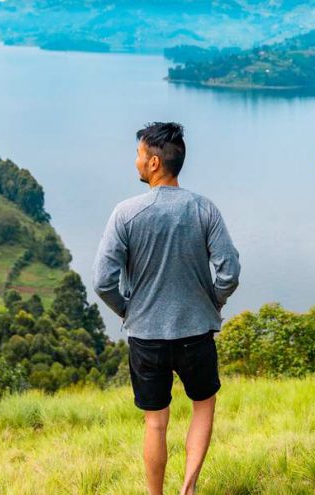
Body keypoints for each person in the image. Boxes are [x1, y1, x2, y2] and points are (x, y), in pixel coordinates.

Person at [93, 122, 240, 495]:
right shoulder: (204, 209)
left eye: (141, 154)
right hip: (196, 333)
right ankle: (188, 488)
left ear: (155, 162)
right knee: (203, 407)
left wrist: (128, 310)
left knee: (155, 423)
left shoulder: (125, 214)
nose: (137, 160)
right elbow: (230, 272)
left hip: (146, 336)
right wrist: (213, 302)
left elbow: (103, 281)